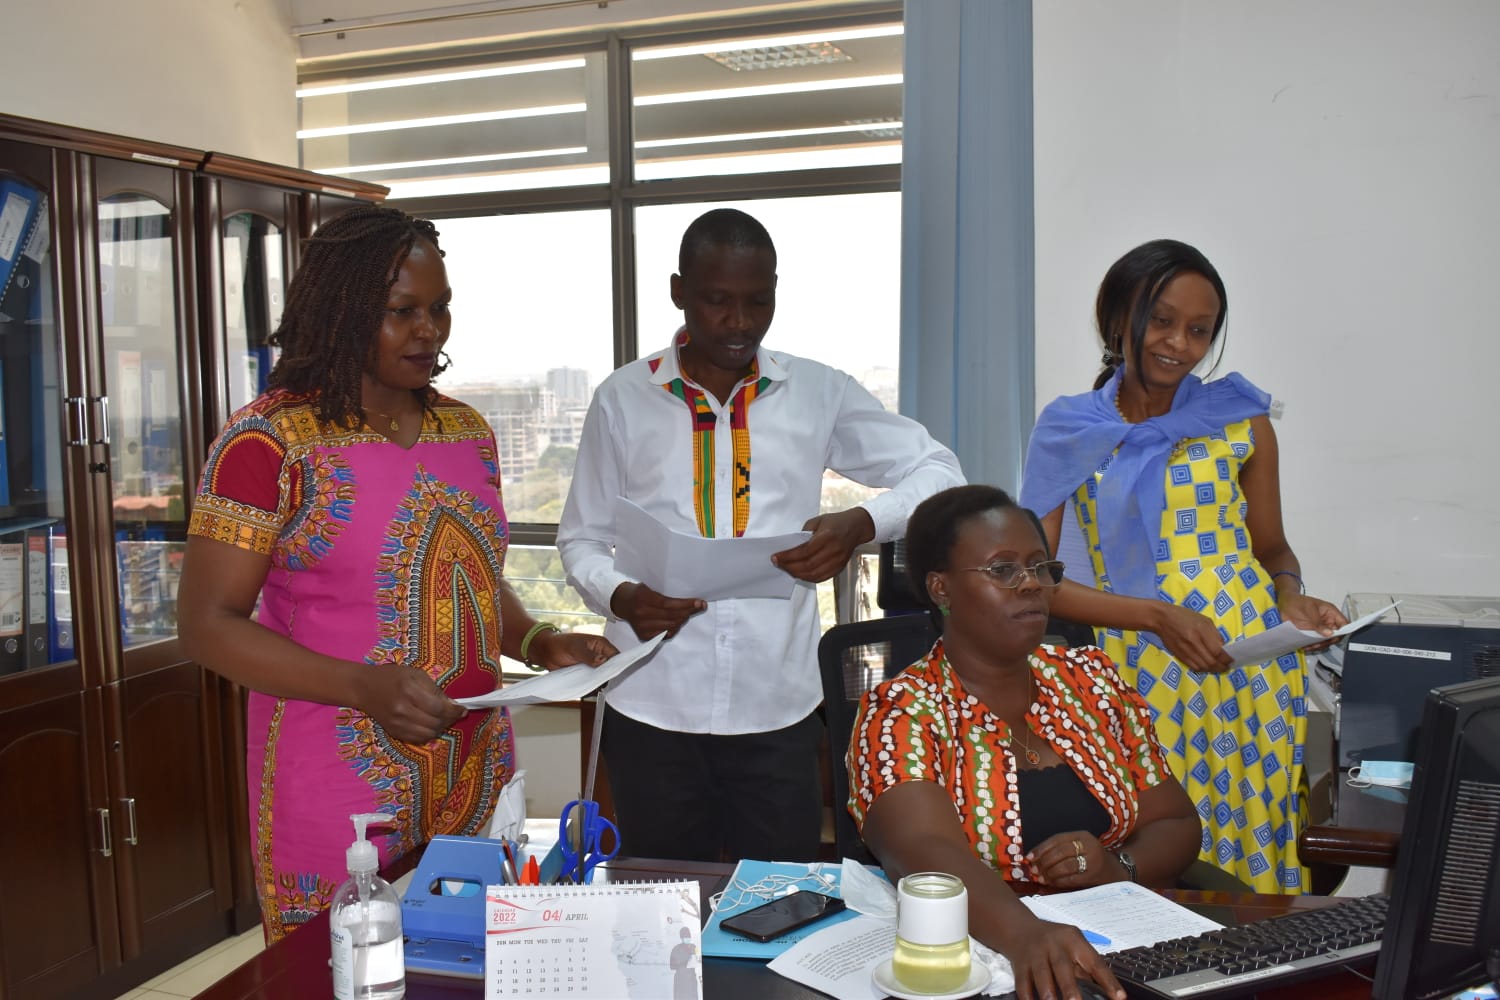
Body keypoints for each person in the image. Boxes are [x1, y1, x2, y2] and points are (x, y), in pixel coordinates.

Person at [177, 205, 615, 941]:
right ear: (341, 311)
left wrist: (538, 641)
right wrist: (364, 686)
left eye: (440, 308)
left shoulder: (466, 431)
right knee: (346, 973)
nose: (429, 330)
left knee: (476, 963)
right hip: (337, 777)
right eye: (401, 311)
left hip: (475, 766)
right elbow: (206, 626)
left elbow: (468, 577)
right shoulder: (268, 442)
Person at [557, 207, 964, 863]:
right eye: (717, 301)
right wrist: (621, 595)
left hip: (778, 712)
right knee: (667, 906)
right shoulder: (621, 399)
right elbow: (581, 539)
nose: (740, 322)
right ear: (679, 292)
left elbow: (940, 471)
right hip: (653, 703)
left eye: (758, 300)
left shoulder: (819, 393)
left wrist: (860, 524)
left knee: (780, 907)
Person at [1018, 239, 1347, 894]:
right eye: (1162, 321)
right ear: (1118, 319)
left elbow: (1272, 549)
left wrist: (1290, 596)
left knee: (1253, 839)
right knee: (1152, 850)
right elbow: (1035, 581)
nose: (1179, 344)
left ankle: (1257, 957)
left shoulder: (1241, 420)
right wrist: (1157, 617)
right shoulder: (1069, 427)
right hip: (1138, 665)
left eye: (1200, 330)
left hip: (1249, 668)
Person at [848, 484, 1200, 1000]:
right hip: (982, 959)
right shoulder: (902, 710)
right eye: (1003, 570)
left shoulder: (1091, 680)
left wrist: (1118, 867)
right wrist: (1024, 935)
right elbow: (922, 850)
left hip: (1123, 943)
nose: (1031, 584)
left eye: (1040, 568)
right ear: (941, 589)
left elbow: (1177, 822)